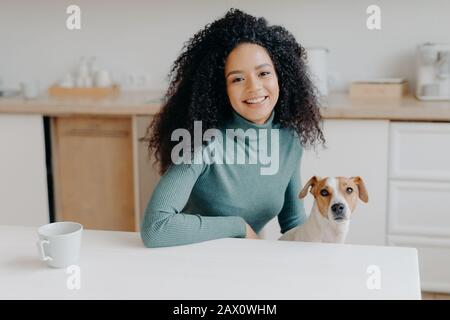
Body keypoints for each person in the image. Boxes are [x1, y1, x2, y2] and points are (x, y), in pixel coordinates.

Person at [140, 8, 324, 248]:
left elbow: (293, 224)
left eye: (264, 73)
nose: (254, 87)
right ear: (220, 89)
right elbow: (155, 228)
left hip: (244, 262)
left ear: (281, 77)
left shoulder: (288, 141)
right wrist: (238, 227)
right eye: (237, 79)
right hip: (190, 264)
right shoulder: (200, 141)